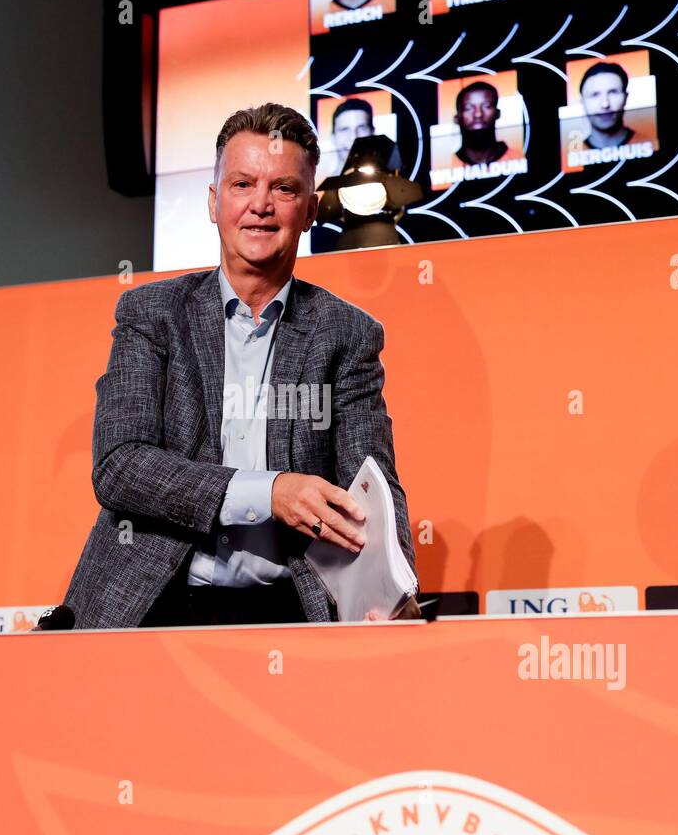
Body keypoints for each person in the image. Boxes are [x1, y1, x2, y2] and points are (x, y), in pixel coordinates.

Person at [62, 103, 418, 629]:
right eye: (242, 184)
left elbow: (372, 485)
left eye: (284, 188)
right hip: (151, 600)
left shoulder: (347, 334)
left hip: (288, 605)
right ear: (213, 202)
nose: (261, 206)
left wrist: (393, 590)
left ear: (311, 209)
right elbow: (120, 466)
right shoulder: (151, 314)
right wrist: (269, 492)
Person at [579, 62, 644, 149]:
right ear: (582, 103)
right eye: (594, 95)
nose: (605, 104)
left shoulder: (649, 143)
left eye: (613, 92)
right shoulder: (570, 154)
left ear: (626, 98)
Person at [453, 81, 509, 165]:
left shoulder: (518, 156)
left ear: (497, 113)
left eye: (487, 106)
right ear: (456, 118)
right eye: (468, 108)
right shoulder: (445, 165)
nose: (478, 114)